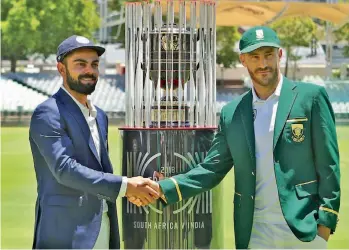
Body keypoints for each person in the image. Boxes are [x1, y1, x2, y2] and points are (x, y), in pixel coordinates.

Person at [131, 26, 341, 249]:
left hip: (303, 230)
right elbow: (211, 169)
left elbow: (329, 165)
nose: (263, 64)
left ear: (279, 55)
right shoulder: (232, 113)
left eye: (269, 55)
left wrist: (324, 228)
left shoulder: (311, 97)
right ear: (243, 60)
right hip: (254, 231)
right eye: (255, 57)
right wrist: (162, 188)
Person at [29, 35, 159, 249]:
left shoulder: (100, 116)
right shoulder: (48, 113)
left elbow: (99, 169)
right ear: (61, 69)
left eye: (94, 64)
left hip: (103, 226)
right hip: (64, 233)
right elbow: (64, 169)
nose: (89, 71)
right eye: (80, 64)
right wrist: (126, 186)